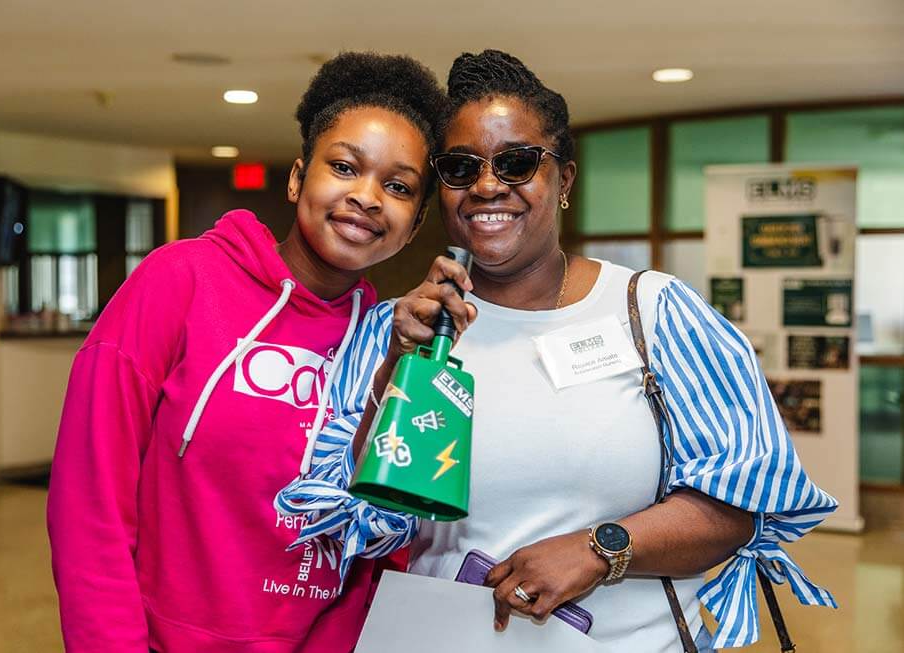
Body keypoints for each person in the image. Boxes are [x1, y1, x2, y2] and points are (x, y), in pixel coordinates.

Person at [277, 50, 837, 652]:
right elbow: (356, 524)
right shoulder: (399, 327)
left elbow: (739, 504)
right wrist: (396, 369)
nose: (488, 185)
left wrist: (601, 550)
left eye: (517, 162)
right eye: (461, 168)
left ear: (563, 179)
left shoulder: (653, 311)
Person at [46, 52, 447, 653]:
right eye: (343, 166)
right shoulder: (179, 281)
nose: (366, 197)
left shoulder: (390, 340)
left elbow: (378, 543)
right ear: (296, 178)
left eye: (397, 186)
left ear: (413, 226)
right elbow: (90, 501)